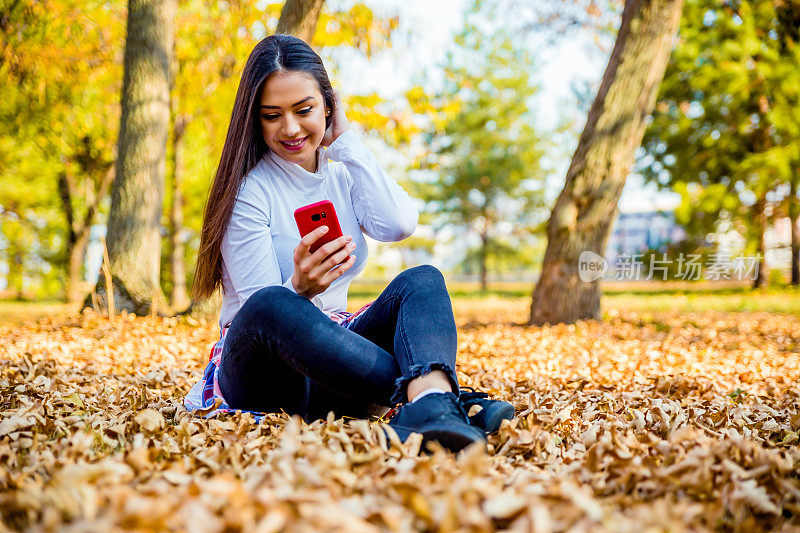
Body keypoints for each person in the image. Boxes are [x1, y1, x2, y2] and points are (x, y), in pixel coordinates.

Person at [184, 34, 513, 453]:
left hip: (337, 374)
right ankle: (447, 400)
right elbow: (260, 316)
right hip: (263, 375)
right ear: (255, 119)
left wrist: (348, 142)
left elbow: (398, 223)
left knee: (423, 280)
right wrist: (299, 288)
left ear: (328, 104)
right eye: (272, 115)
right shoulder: (249, 191)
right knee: (273, 302)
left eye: (304, 110)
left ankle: (431, 406)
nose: (290, 128)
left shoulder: (343, 174)